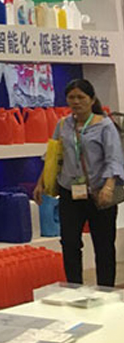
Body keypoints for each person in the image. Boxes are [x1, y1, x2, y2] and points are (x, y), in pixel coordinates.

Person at [34, 79, 122, 286]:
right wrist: (41, 182)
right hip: (70, 192)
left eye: (81, 97)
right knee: (70, 242)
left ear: (92, 99)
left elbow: (114, 159)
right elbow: (53, 156)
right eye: (71, 97)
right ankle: (74, 287)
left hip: (99, 193)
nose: (76, 101)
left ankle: (105, 290)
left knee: (103, 245)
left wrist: (109, 187)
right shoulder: (63, 124)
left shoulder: (105, 125)